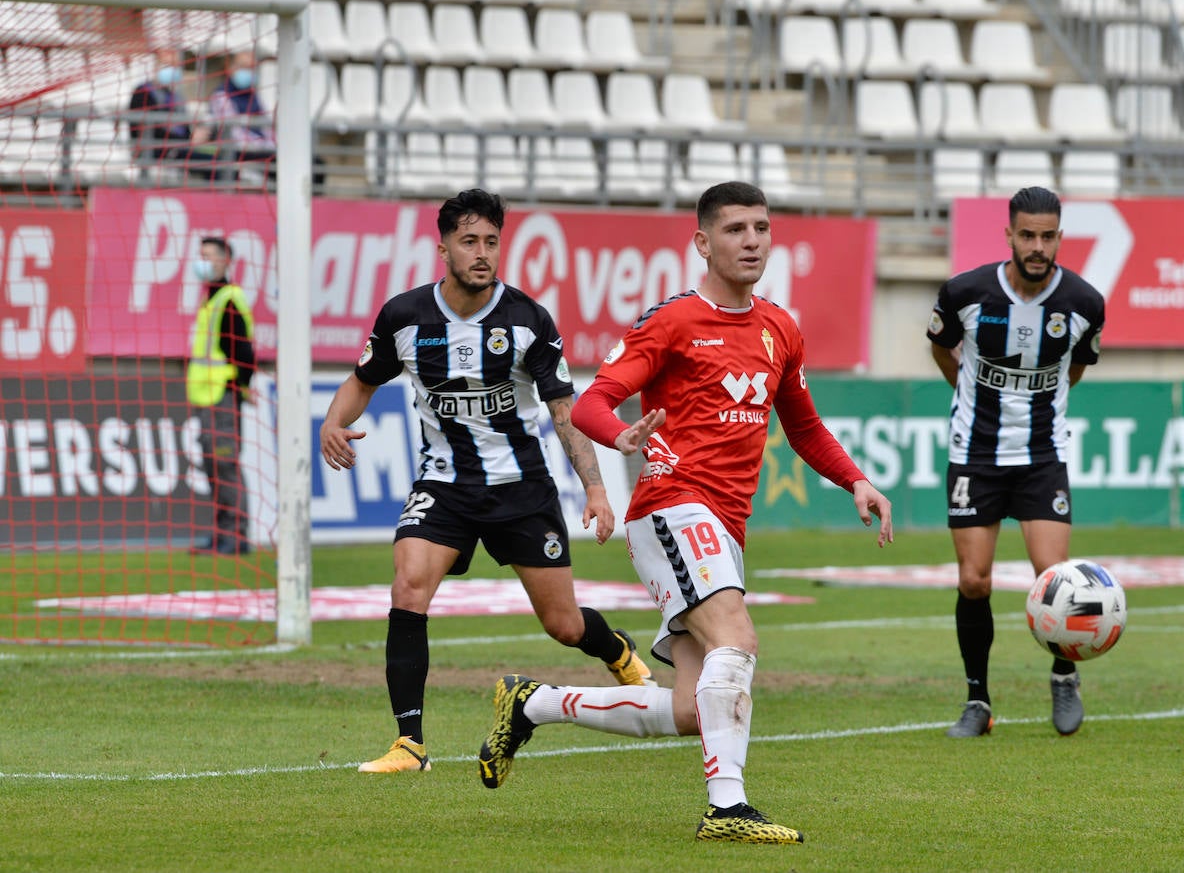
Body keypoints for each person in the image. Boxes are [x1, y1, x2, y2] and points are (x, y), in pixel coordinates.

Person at [474, 181, 895, 844]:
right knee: (739, 637)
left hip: (724, 524)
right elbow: (590, 405)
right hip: (672, 505)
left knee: (692, 708)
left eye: (760, 227)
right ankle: (727, 806)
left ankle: (533, 703)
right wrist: (624, 437)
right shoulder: (672, 322)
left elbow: (805, 426)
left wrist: (856, 481)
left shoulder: (781, 327)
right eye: (734, 229)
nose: (751, 239)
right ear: (703, 242)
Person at [319, 188, 655, 775]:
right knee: (408, 586)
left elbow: (562, 411)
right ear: (443, 246)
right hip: (444, 485)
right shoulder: (405, 316)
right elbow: (362, 381)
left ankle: (616, 649)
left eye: (491, 242)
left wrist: (597, 489)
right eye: (470, 241)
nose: (482, 253)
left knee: (563, 624)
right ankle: (410, 744)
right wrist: (332, 421)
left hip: (521, 489)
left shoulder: (527, 320)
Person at [925, 186, 1106, 739]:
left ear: (1059, 237)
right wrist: (970, 394)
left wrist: (1038, 403)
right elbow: (941, 347)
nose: (1037, 246)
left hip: (1042, 456)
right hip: (974, 454)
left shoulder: (1085, 303)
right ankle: (977, 703)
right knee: (974, 580)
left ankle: (1064, 673)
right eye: (1027, 235)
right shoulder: (965, 292)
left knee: (1053, 579)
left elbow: (1076, 368)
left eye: (1047, 236)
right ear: (1009, 234)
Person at [188, 236, 256, 556]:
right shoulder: (211, 299)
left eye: (208, 256)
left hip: (223, 394)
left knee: (225, 463)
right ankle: (222, 532)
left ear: (225, 261)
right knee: (212, 466)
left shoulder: (229, 299)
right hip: (206, 395)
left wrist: (243, 386)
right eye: (200, 255)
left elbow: (243, 350)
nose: (202, 261)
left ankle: (237, 535)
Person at [128, 48, 221, 180]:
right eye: (168, 65)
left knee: (222, 161)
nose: (173, 70)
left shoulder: (176, 96)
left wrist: (196, 136)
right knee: (215, 165)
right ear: (156, 67)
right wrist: (188, 141)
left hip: (178, 150)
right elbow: (147, 131)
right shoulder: (143, 92)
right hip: (156, 152)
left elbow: (183, 129)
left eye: (176, 66)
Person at [209, 51, 276, 178]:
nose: (249, 72)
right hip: (240, 152)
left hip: (262, 150)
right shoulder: (221, 95)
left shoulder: (253, 94)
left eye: (252, 68)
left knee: (313, 162)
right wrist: (263, 146)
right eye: (244, 67)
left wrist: (273, 145)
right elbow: (234, 134)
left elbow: (266, 126)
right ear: (231, 69)